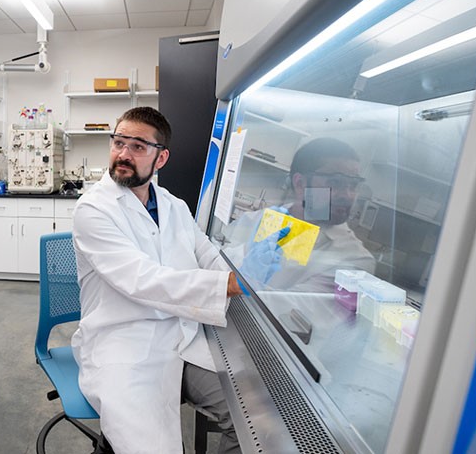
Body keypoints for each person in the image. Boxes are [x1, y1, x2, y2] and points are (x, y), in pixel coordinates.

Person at [71, 106, 287, 454]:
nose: (124, 154)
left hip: (183, 334)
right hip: (125, 340)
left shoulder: (174, 205)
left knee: (255, 420)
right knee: (150, 445)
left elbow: (205, 255)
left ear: (161, 158)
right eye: (119, 142)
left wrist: (247, 264)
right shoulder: (93, 209)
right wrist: (229, 284)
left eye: (138, 146)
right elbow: (142, 280)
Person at [225, 137, 376, 292]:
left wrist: (236, 284)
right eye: (335, 182)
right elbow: (216, 262)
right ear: (300, 183)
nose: (347, 195)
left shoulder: (355, 260)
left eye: (353, 185)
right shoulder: (256, 220)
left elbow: (285, 310)